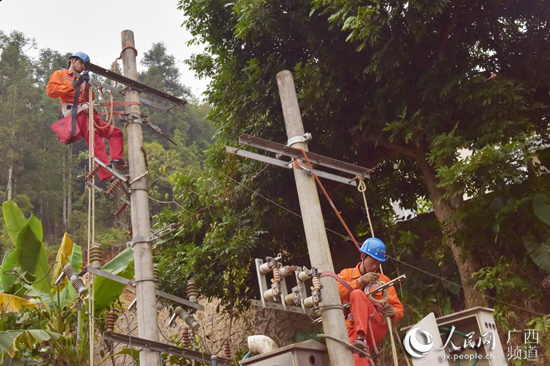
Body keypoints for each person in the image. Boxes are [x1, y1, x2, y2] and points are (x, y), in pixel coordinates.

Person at [47, 52, 126, 181]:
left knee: (115, 133)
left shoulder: (81, 78)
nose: (83, 67)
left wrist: (87, 84)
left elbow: (91, 97)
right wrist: (72, 85)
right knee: (94, 140)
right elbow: (51, 91)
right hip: (77, 114)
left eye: (85, 65)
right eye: (81, 63)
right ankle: (107, 173)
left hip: (89, 113)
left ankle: (117, 160)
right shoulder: (61, 75)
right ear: (73, 60)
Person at [337, 237, 404, 365]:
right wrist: (359, 281)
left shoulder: (383, 280)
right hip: (352, 328)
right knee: (355, 357)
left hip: (376, 323)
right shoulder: (347, 274)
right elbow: (335, 293)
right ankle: (362, 344)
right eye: (372, 262)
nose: (375, 267)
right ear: (362, 256)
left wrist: (393, 312)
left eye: (378, 264)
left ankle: (362, 338)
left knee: (357, 294)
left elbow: (399, 309)